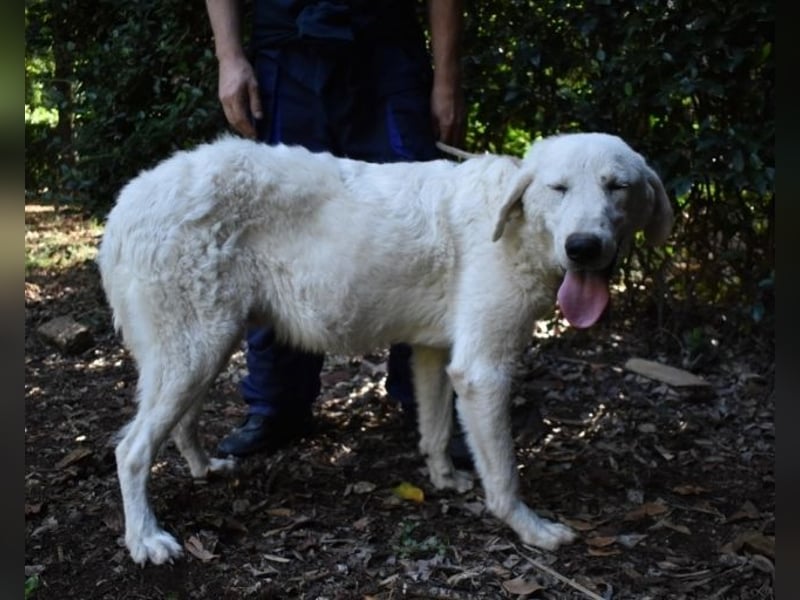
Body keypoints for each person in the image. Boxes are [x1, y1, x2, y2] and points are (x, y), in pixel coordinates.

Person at [205, 0, 468, 461]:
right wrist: (229, 57)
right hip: (285, 56)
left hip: (389, 58)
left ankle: (427, 403)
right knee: (280, 232)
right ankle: (278, 406)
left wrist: (445, 80)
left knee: (416, 229)